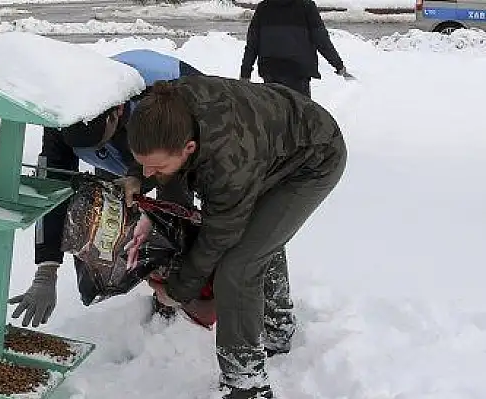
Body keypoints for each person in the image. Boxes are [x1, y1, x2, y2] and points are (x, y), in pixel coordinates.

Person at [123, 76, 347, 399]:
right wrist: (135, 176)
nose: (148, 174)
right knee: (258, 240)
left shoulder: (228, 163)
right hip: (270, 146)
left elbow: (219, 237)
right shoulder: (165, 109)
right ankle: (276, 325)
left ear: (189, 148)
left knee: (240, 265)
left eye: (155, 166)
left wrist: (178, 291)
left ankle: (246, 384)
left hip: (313, 158)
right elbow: (151, 144)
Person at [8, 49, 205, 328]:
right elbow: (51, 188)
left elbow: (182, 170)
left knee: (175, 211)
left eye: (100, 144)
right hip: (120, 138)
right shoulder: (59, 112)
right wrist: (47, 269)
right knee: (110, 210)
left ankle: (184, 301)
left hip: (173, 131)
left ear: (117, 113)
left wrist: (139, 177)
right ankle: (154, 279)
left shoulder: (157, 97)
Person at [239, 0, 353, 97]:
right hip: (298, 72)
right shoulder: (306, 6)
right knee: (301, 116)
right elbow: (321, 40)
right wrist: (338, 65)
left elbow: (252, 44)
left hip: (270, 70)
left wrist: (245, 73)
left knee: (276, 114)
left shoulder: (263, 8)